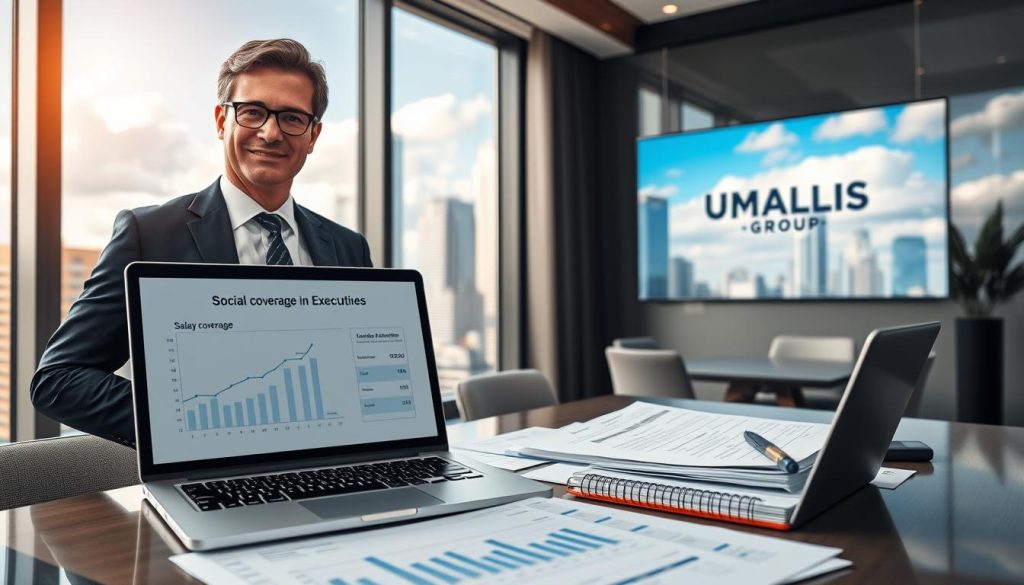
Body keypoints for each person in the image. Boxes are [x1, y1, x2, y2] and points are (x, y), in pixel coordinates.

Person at [30, 39, 371, 447]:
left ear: (313, 135)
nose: (271, 132)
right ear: (221, 121)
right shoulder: (149, 234)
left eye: (292, 118)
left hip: (336, 465)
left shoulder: (349, 248)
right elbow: (59, 380)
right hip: (211, 472)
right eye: (252, 112)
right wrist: (198, 421)